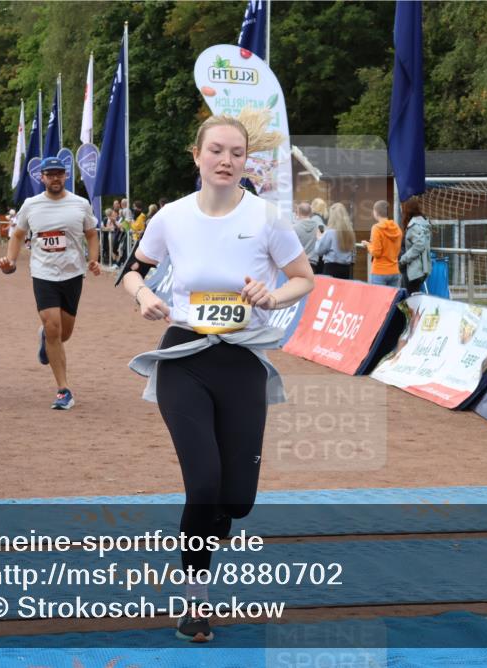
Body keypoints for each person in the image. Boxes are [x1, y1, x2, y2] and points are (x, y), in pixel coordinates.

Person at [121, 109, 312, 643]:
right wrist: (143, 295)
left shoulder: (267, 218)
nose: (226, 160)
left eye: (236, 152)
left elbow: (304, 278)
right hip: (184, 356)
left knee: (237, 501)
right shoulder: (170, 217)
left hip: (242, 360)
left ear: (246, 161)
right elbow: (133, 271)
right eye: (216, 150)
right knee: (203, 485)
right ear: (197, 156)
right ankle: (195, 602)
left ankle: (215, 520)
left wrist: (273, 296)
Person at [0, 156, 99, 410]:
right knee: (53, 327)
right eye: (50, 174)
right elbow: (18, 235)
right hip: (43, 273)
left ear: (66, 176)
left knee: (64, 333)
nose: (55, 178)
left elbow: (91, 233)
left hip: (73, 273)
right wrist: (10, 261)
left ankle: (45, 337)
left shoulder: (80, 204)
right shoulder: (31, 205)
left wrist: (94, 259)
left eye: (59, 174)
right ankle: (63, 390)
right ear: (41, 178)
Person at [362, 200, 402, 287]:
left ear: (376, 212)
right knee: (393, 296)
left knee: (378, 296)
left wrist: (368, 245)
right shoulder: (397, 228)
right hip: (394, 271)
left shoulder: (376, 228)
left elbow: (376, 253)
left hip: (379, 272)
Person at [398, 197, 432, 295]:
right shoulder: (423, 222)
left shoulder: (414, 225)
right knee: (413, 296)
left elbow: (420, 245)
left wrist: (403, 259)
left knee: (408, 298)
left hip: (412, 269)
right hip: (419, 269)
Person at [315, 202, 356, 280]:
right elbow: (353, 252)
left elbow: (319, 251)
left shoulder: (330, 232)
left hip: (331, 268)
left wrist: (319, 238)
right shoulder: (350, 232)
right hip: (346, 269)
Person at [293, 201, 323, 272]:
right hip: (313, 264)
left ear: (298, 212)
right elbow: (321, 241)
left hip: (298, 263)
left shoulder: (294, 228)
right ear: (310, 213)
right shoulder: (318, 227)